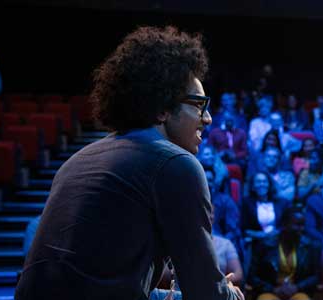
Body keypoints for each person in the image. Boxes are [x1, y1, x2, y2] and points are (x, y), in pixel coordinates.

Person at [15, 26, 243, 299]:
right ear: (162, 108)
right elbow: (206, 293)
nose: (207, 119)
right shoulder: (176, 163)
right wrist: (230, 294)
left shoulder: (77, 160)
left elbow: (102, 284)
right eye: (198, 105)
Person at [248, 206, 321, 300]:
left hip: (297, 291)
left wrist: (297, 287)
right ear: (284, 224)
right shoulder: (265, 245)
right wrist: (273, 289)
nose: (301, 229)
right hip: (271, 291)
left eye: (303, 225)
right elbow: (252, 277)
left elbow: (315, 276)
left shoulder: (309, 246)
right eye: (297, 225)